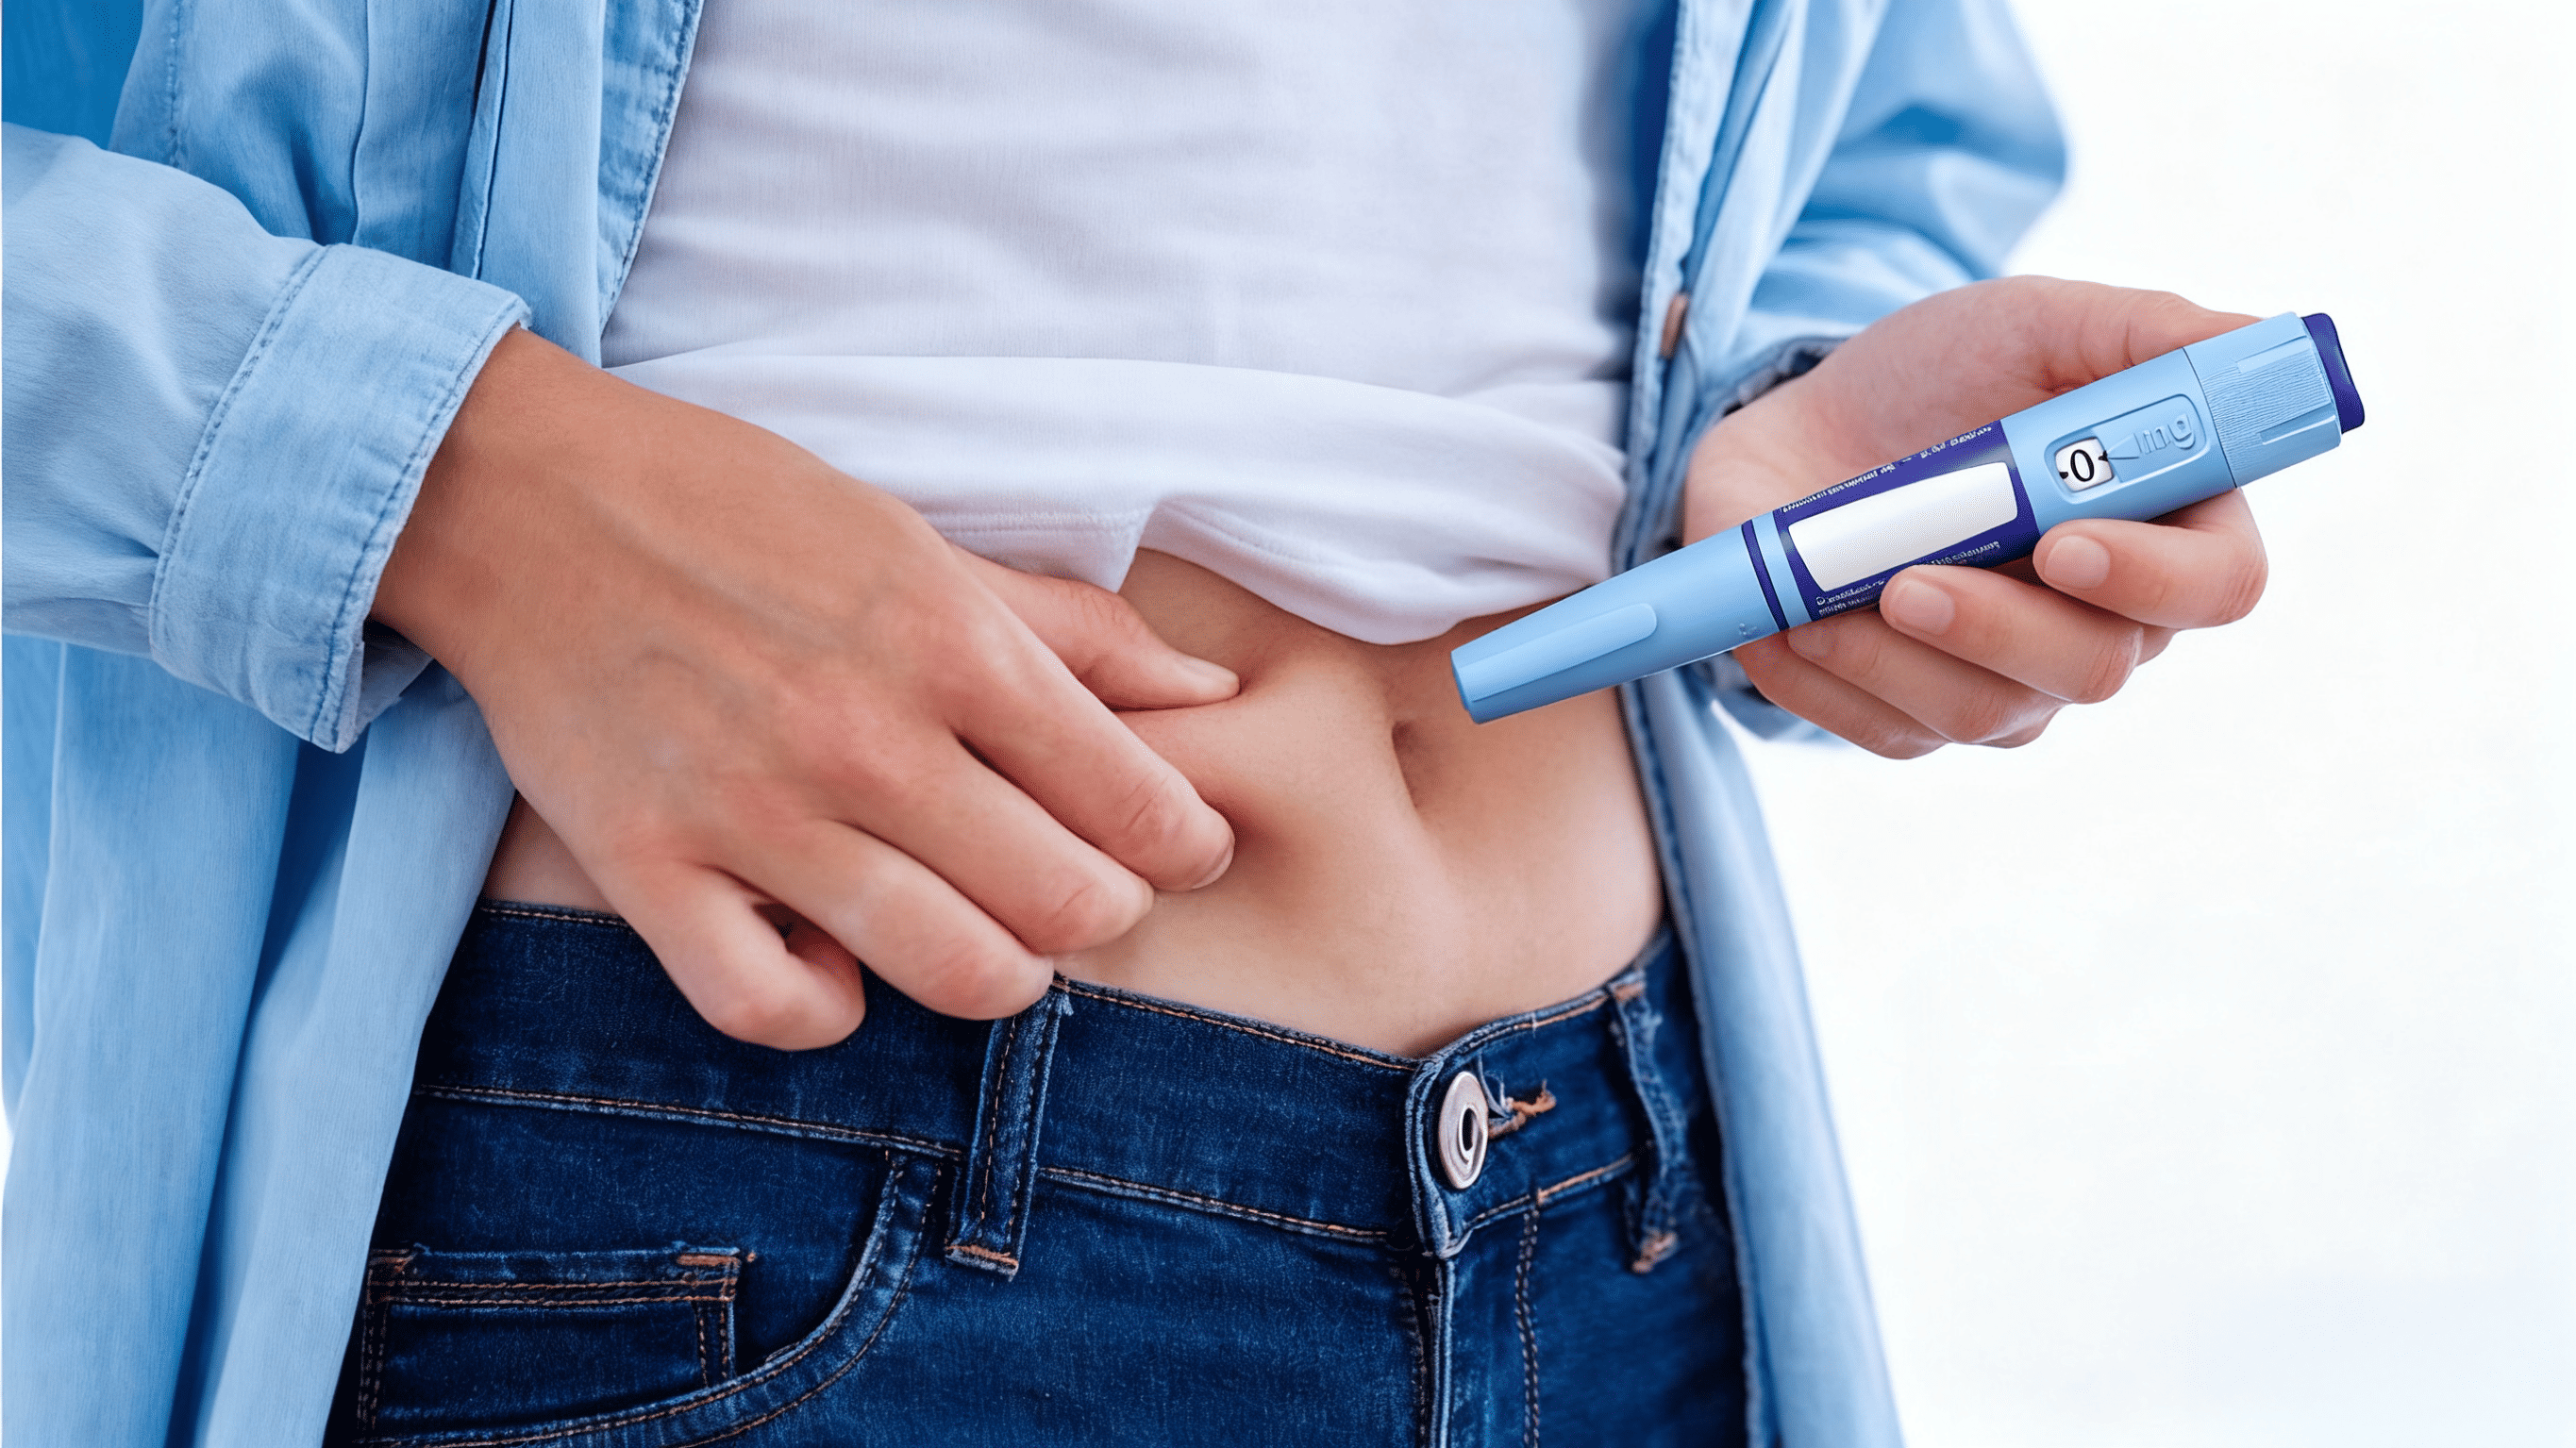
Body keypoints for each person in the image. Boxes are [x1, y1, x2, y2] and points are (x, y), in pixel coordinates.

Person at [2, 0, 2270, 1443]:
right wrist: (462, 489)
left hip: (1628, 1192)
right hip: (750, 1162)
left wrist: (1781, 421)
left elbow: (1853, 124)